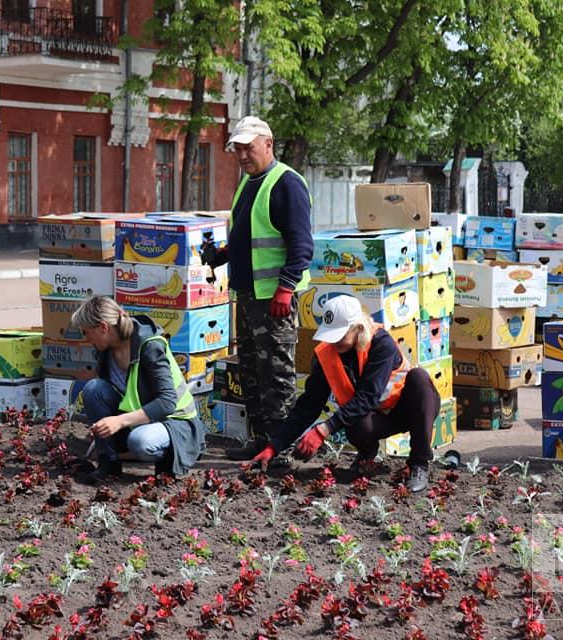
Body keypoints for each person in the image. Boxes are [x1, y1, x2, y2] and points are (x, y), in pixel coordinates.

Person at [201, 115, 314, 460]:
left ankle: (281, 448)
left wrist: (285, 288)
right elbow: (250, 237)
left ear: (268, 144)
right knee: (251, 374)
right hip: (249, 298)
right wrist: (221, 255)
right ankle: (262, 440)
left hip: (274, 301)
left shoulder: (286, 184)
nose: (242, 155)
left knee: (277, 377)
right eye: (237, 149)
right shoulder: (249, 184)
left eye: (248, 148)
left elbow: (301, 246)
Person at [246, 295, 440, 493]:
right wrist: (274, 446)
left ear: (358, 329)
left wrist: (323, 430)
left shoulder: (381, 343)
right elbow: (309, 405)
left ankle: (419, 464)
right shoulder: (326, 354)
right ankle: (366, 454)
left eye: (340, 335)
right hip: (378, 417)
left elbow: (368, 396)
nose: (334, 341)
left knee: (419, 378)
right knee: (355, 424)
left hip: (411, 409)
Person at [72, 296, 207, 484]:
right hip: (140, 418)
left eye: (86, 332)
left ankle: (172, 460)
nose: (86, 339)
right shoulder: (105, 349)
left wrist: (119, 421)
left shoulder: (150, 346)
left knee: (140, 442)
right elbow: (115, 393)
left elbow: (167, 403)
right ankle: (109, 465)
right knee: (93, 389)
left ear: (103, 327)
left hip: (175, 422)